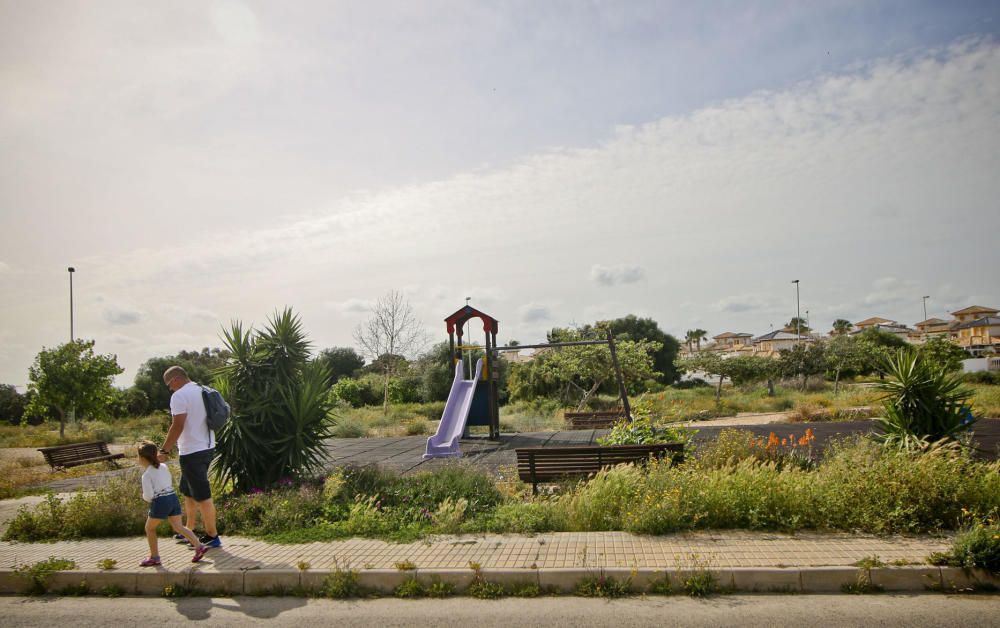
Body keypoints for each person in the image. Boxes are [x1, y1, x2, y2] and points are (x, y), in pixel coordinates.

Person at [159, 365, 223, 548]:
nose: (170, 388)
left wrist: (164, 451)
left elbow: (177, 426)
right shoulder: (201, 390)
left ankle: (212, 536)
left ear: (176, 379)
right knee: (188, 491)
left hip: (193, 451)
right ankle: (189, 529)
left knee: (202, 495)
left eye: (169, 384)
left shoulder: (179, 396)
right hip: (207, 446)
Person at [137, 441, 209, 566]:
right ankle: (199, 546)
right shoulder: (163, 467)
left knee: (149, 528)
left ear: (142, 458)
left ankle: (154, 557)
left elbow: (148, 496)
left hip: (161, 501)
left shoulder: (147, 475)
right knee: (179, 527)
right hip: (172, 497)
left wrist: (147, 499)